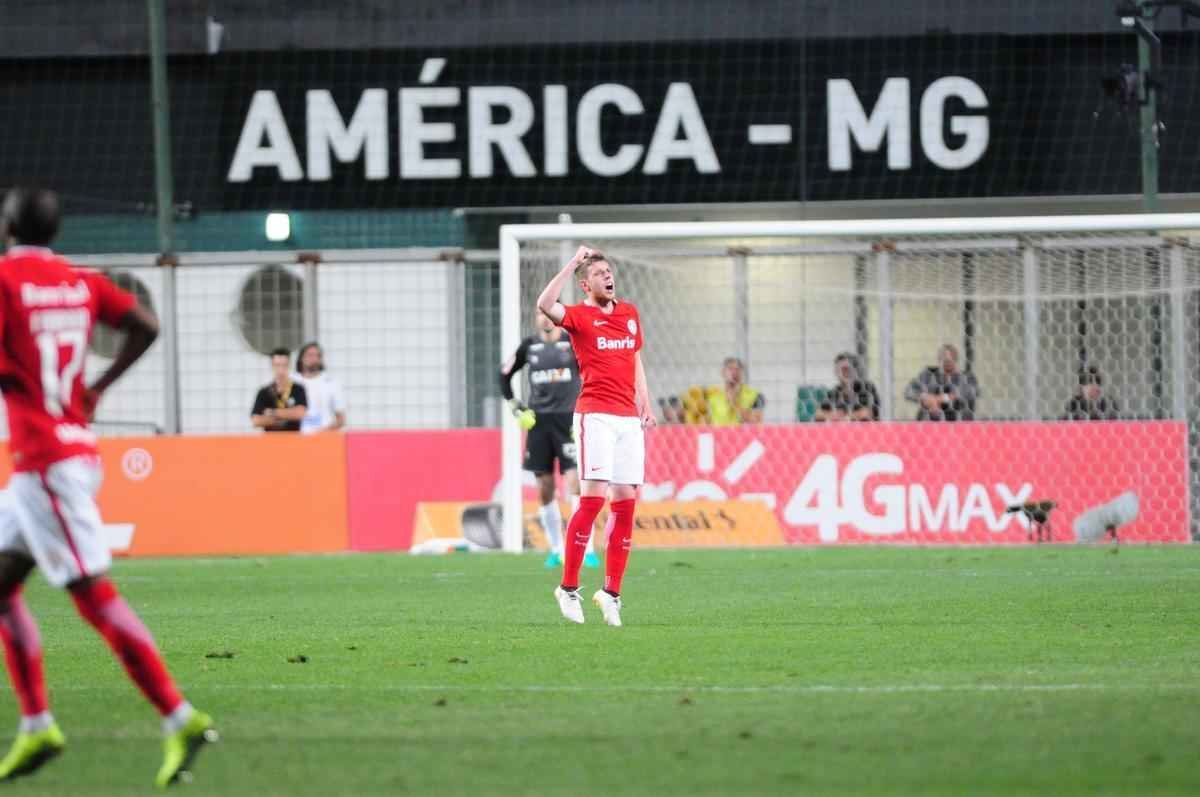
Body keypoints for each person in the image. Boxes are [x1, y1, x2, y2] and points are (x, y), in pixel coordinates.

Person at [0, 188, 216, 787]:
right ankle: (36, 723)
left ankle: (180, 717)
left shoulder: (5, 280)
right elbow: (146, 324)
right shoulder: (79, 281)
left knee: (92, 594)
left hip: (45, 462)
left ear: (8, 225)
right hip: (68, 448)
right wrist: (98, 388)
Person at [537, 246, 655, 627]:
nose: (608, 276)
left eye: (609, 271)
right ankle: (568, 588)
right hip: (595, 416)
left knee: (626, 502)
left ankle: (611, 593)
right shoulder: (579, 316)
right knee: (592, 500)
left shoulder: (630, 314)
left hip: (627, 419)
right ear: (585, 284)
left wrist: (645, 404)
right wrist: (574, 261)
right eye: (599, 273)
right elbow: (545, 302)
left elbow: (635, 359)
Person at [499, 314, 598, 569]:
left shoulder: (572, 343)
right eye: (540, 314)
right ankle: (556, 549)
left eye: (548, 314)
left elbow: (592, 372)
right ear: (535, 318)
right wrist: (516, 407)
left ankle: (586, 549)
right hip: (539, 424)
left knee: (576, 482)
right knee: (544, 485)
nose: (545, 319)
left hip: (568, 422)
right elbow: (504, 375)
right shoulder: (528, 346)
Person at [904, 343, 980, 421]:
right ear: (939, 358)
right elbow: (909, 391)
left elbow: (972, 391)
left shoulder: (966, 377)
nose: (948, 361)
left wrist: (941, 399)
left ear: (956, 359)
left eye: (951, 358)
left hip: (957, 421)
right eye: (944, 358)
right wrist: (926, 398)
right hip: (930, 420)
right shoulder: (928, 374)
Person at [294, 341, 346, 434]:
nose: (313, 359)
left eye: (317, 355)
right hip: (296, 438)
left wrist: (323, 432)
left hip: (324, 438)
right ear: (301, 358)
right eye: (309, 355)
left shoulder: (331, 383)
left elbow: (340, 419)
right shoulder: (292, 381)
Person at [251, 348, 308, 432]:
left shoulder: (298, 389)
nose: (281, 370)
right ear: (272, 366)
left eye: (284, 365)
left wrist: (273, 413)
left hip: (294, 441)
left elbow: (301, 413)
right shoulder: (264, 392)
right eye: (277, 365)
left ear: (289, 366)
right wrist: (288, 415)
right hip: (271, 442)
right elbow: (256, 420)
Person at [815, 352, 880, 422]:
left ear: (855, 369)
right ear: (836, 372)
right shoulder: (834, 392)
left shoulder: (867, 387)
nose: (844, 373)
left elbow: (867, 414)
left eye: (846, 369)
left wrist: (845, 417)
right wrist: (833, 415)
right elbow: (818, 414)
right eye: (840, 369)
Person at [700, 357, 764, 425]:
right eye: (730, 369)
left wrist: (734, 404)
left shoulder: (755, 395)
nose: (734, 372)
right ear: (722, 372)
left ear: (742, 373)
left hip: (742, 434)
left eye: (737, 369)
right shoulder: (713, 397)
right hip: (720, 434)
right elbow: (707, 422)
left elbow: (756, 422)